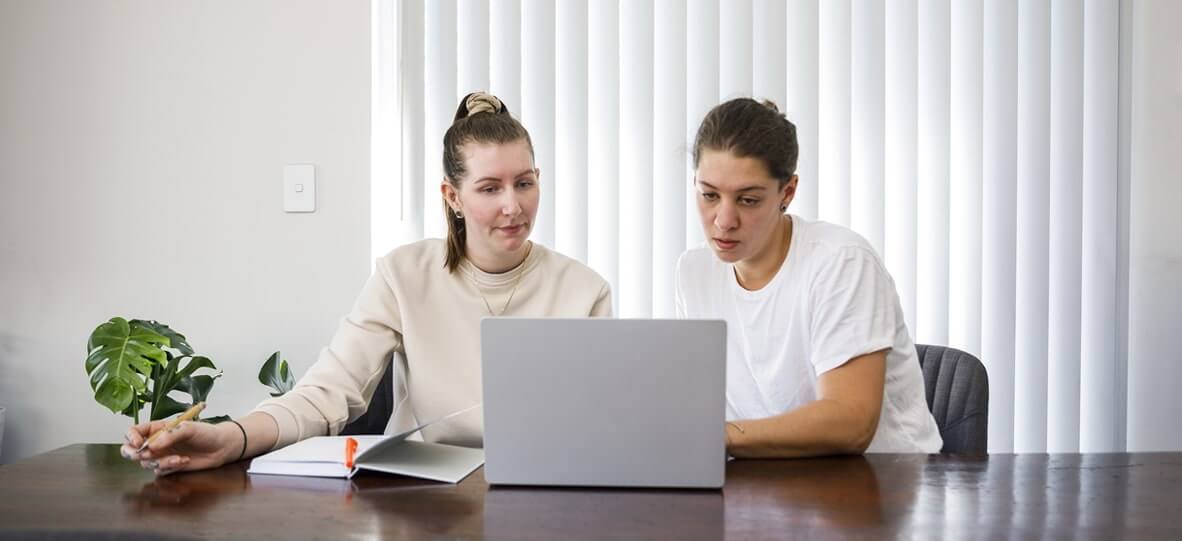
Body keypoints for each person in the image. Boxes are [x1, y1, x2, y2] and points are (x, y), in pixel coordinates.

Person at [122, 92, 612, 475]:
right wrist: (228, 437)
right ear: (453, 196)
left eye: (525, 183)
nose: (514, 206)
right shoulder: (403, 275)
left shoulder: (584, 289)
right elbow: (326, 394)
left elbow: (601, 429)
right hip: (421, 500)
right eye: (490, 188)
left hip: (536, 495)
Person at [676, 98, 942, 458]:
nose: (724, 220)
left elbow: (850, 421)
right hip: (771, 484)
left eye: (748, 200)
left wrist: (717, 436)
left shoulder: (840, 262)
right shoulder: (694, 273)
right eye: (709, 195)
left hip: (881, 485)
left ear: (787, 192)